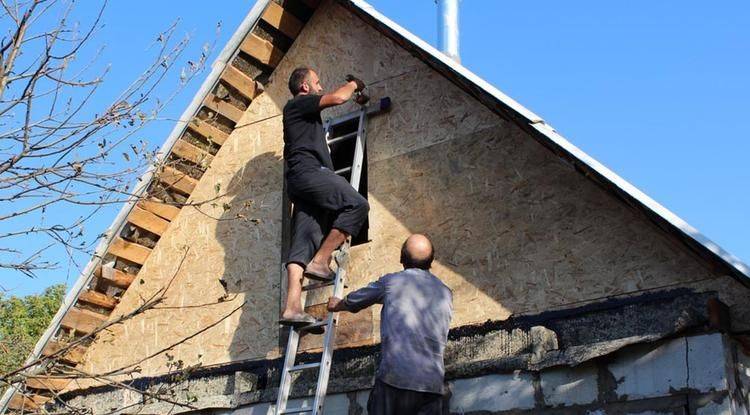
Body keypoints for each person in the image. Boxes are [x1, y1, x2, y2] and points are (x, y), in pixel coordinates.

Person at [279, 67, 370, 327]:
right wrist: (354, 84)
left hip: (300, 183)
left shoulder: (299, 114)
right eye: (317, 83)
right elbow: (338, 98)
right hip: (309, 173)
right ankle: (321, 261)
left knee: (300, 248)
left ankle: (292, 308)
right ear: (305, 87)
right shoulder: (298, 103)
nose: (320, 88)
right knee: (357, 204)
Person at [327, 234, 453, 415]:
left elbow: (358, 299)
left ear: (402, 258)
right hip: (432, 386)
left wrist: (338, 304)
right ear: (431, 261)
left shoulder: (391, 283)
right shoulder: (446, 293)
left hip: (395, 382)